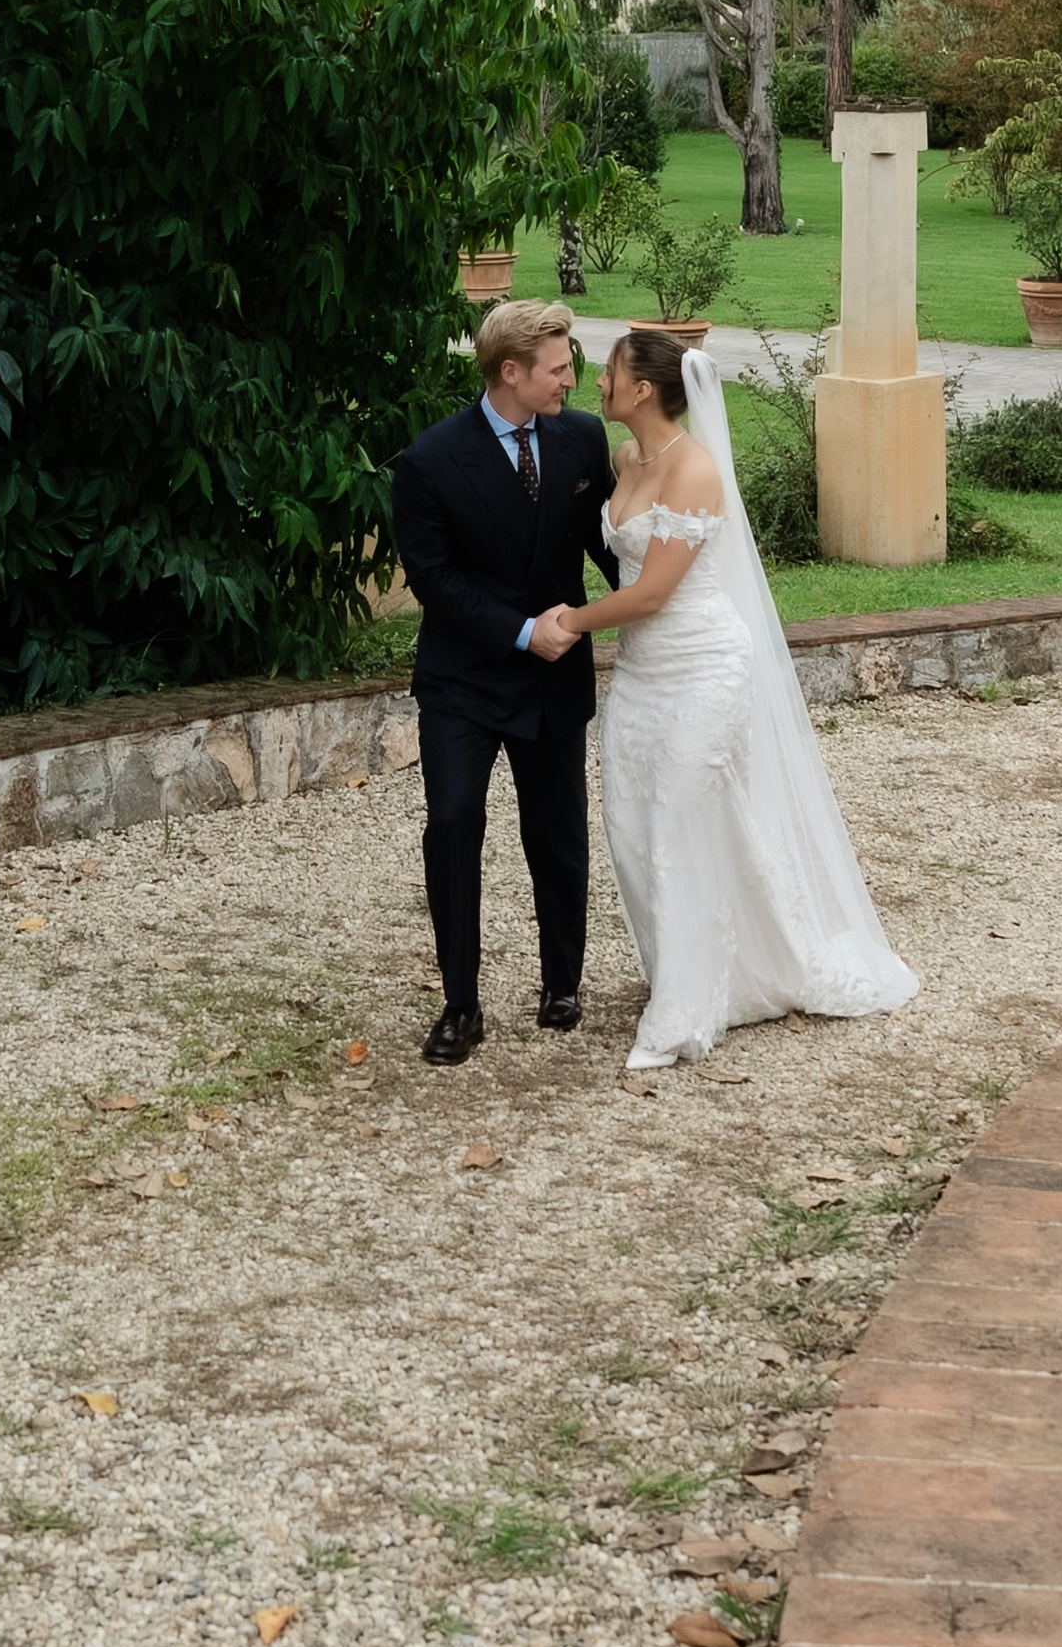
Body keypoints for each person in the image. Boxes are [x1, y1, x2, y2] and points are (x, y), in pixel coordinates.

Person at [555, 324, 918, 1071]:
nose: (599, 382)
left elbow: (651, 594)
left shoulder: (695, 470)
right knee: (634, 826)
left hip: (703, 666)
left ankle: (683, 1013)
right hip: (642, 677)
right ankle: (718, 966)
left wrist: (569, 622)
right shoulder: (624, 458)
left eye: (610, 371)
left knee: (681, 823)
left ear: (643, 389)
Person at [391, 298, 619, 1067]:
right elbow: (435, 580)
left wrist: (658, 601)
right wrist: (525, 631)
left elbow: (607, 545)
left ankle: (562, 984)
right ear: (510, 372)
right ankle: (460, 1005)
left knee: (557, 831)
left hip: (555, 680)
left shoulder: (582, 439)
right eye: (557, 369)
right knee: (454, 823)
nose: (570, 380)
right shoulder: (429, 461)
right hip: (464, 679)